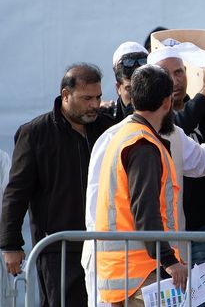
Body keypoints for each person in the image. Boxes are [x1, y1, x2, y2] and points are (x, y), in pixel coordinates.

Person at [0, 63, 112, 307]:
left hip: (105, 247)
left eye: (98, 97)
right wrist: (10, 244)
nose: (94, 104)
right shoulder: (35, 133)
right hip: (58, 250)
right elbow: (16, 192)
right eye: (87, 98)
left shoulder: (108, 127)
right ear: (65, 95)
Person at [148, 47, 205, 307]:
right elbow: (177, 127)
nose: (174, 80)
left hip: (203, 228)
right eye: (166, 74)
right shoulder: (155, 121)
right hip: (169, 240)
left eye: (179, 72)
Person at [95, 64, 187, 306]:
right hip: (142, 275)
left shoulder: (124, 136)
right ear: (168, 103)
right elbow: (145, 210)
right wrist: (169, 260)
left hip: (127, 274)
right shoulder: (143, 145)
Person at [100, 42, 148, 122]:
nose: (136, 96)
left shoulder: (162, 117)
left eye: (142, 87)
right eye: (129, 89)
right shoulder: (104, 119)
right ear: (118, 88)